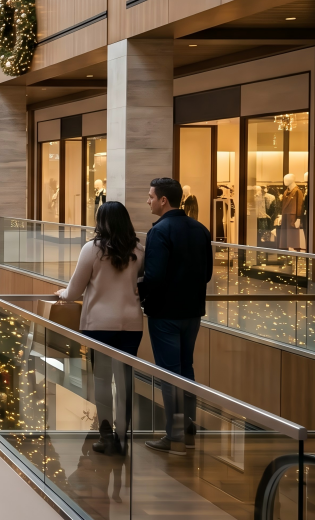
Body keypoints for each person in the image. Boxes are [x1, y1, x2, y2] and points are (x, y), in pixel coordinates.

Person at [56, 201, 144, 456]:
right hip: (131, 324)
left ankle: (107, 437)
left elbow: (73, 291)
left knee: (102, 380)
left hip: (99, 324)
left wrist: (62, 292)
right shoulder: (139, 250)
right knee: (125, 380)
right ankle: (123, 435)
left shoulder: (92, 249)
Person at [141, 177, 214, 456]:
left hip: (165, 313)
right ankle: (187, 426)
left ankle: (174, 435)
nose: (147, 201)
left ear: (163, 200)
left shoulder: (159, 231)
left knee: (168, 373)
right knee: (186, 369)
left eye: (150, 196)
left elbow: (154, 276)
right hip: (193, 311)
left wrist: (142, 294)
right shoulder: (200, 229)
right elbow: (206, 273)